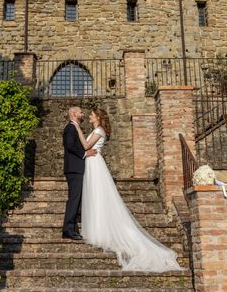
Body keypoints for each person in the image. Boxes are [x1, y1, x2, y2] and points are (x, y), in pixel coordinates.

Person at [72, 108, 182, 272]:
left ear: (98, 117)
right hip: (91, 163)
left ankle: (102, 230)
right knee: (93, 197)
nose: (89, 116)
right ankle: (96, 227)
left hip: (95, 164)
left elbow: (86, 145)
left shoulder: (99, 130)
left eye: (92, 114)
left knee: (98, 195)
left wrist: (77, 128)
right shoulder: (96, 130)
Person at [62, 106, 97, 240]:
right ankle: (68, 230)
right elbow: (69, 145)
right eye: (81, 112)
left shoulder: (74, 127)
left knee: (76, 198)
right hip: (73, 168)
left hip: (76, 168)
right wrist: (84, 153)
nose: (83, 114)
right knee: (74, 199)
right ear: (74, 114)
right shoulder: (70, 128)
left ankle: (71, 228)